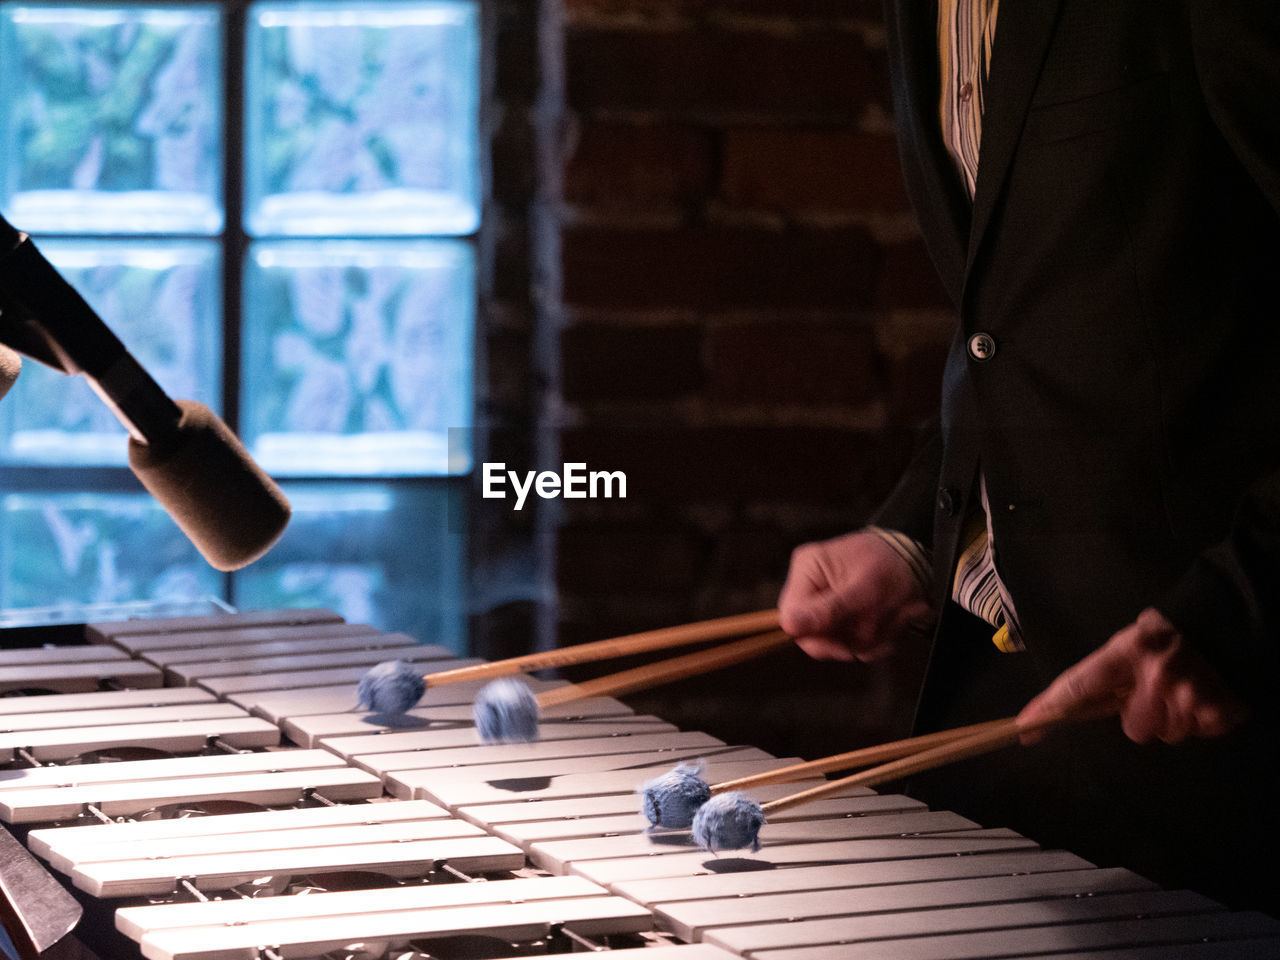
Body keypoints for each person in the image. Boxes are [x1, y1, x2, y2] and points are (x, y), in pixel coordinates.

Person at [779, 0, 1280, 914]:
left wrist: (1245, 602)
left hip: (1206, 726)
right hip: (1008, 711)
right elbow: (1016, 321)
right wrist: (913, 536)